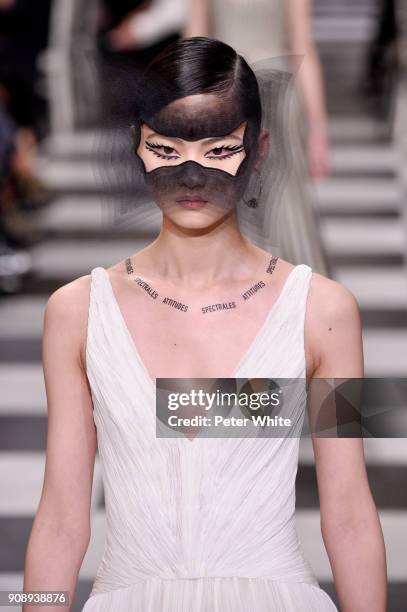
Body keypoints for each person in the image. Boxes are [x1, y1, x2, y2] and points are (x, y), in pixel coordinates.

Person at [23, 38, 387, 611]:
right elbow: (62, 519)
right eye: (166, 150)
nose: (192, 174)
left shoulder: (324, 311)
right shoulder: (76, 311)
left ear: (259, 149)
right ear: (136, 149)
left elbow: (349, 514)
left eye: (219, 150)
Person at [185, 0, 332, 276]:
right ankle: (237, 288)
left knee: (283, 194)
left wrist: (318, 128)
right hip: (228, 96)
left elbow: (304, 48)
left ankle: (291, 288)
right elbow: (195, 43)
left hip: (278, 99)